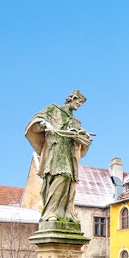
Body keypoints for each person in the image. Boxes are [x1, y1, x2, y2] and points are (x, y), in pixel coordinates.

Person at [25, 90, 92, 222]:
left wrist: (83, 138)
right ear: (71, 99)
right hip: (56, 150)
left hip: (70, 153)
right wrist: (45, 125)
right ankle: (51, 212)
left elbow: (84, 140)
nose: (78, 105)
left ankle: (66, 213)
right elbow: (36, 121)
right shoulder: (54, 110)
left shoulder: (76, 121)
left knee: (69, 180)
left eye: (80, 104)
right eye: (77, 102)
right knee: (59, 176)